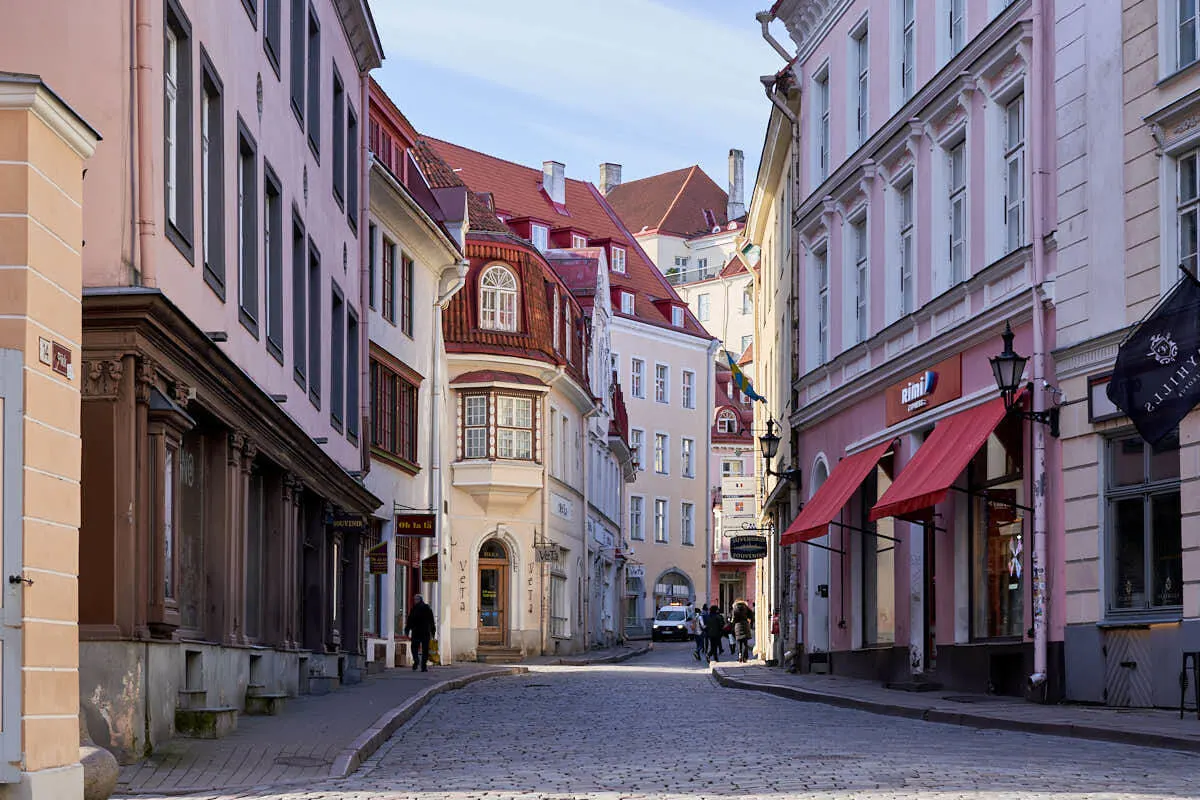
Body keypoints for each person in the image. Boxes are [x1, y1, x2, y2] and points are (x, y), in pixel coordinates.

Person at [404, 594, 436, 672]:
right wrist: (433, 631)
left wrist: (407, 630)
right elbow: (431, 621)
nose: (414, 601)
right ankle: (423, 666)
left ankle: (416, 660)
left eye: (416, 599)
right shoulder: (427, 608)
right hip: (425, 632)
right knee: (425, 650)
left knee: (414, 647)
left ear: (420, 600)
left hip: (417, 631)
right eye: (414, 599)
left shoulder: (414, 609)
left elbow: (410, 620)